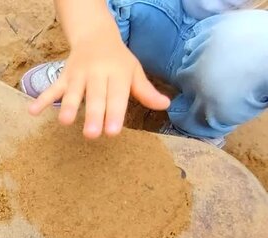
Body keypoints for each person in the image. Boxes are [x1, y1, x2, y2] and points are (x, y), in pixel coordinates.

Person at [21, 0, 268, 148]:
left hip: (227, 35)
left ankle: (196, 128)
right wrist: (92, 33)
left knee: (255, 50)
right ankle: (92, 64)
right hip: (148, 12)